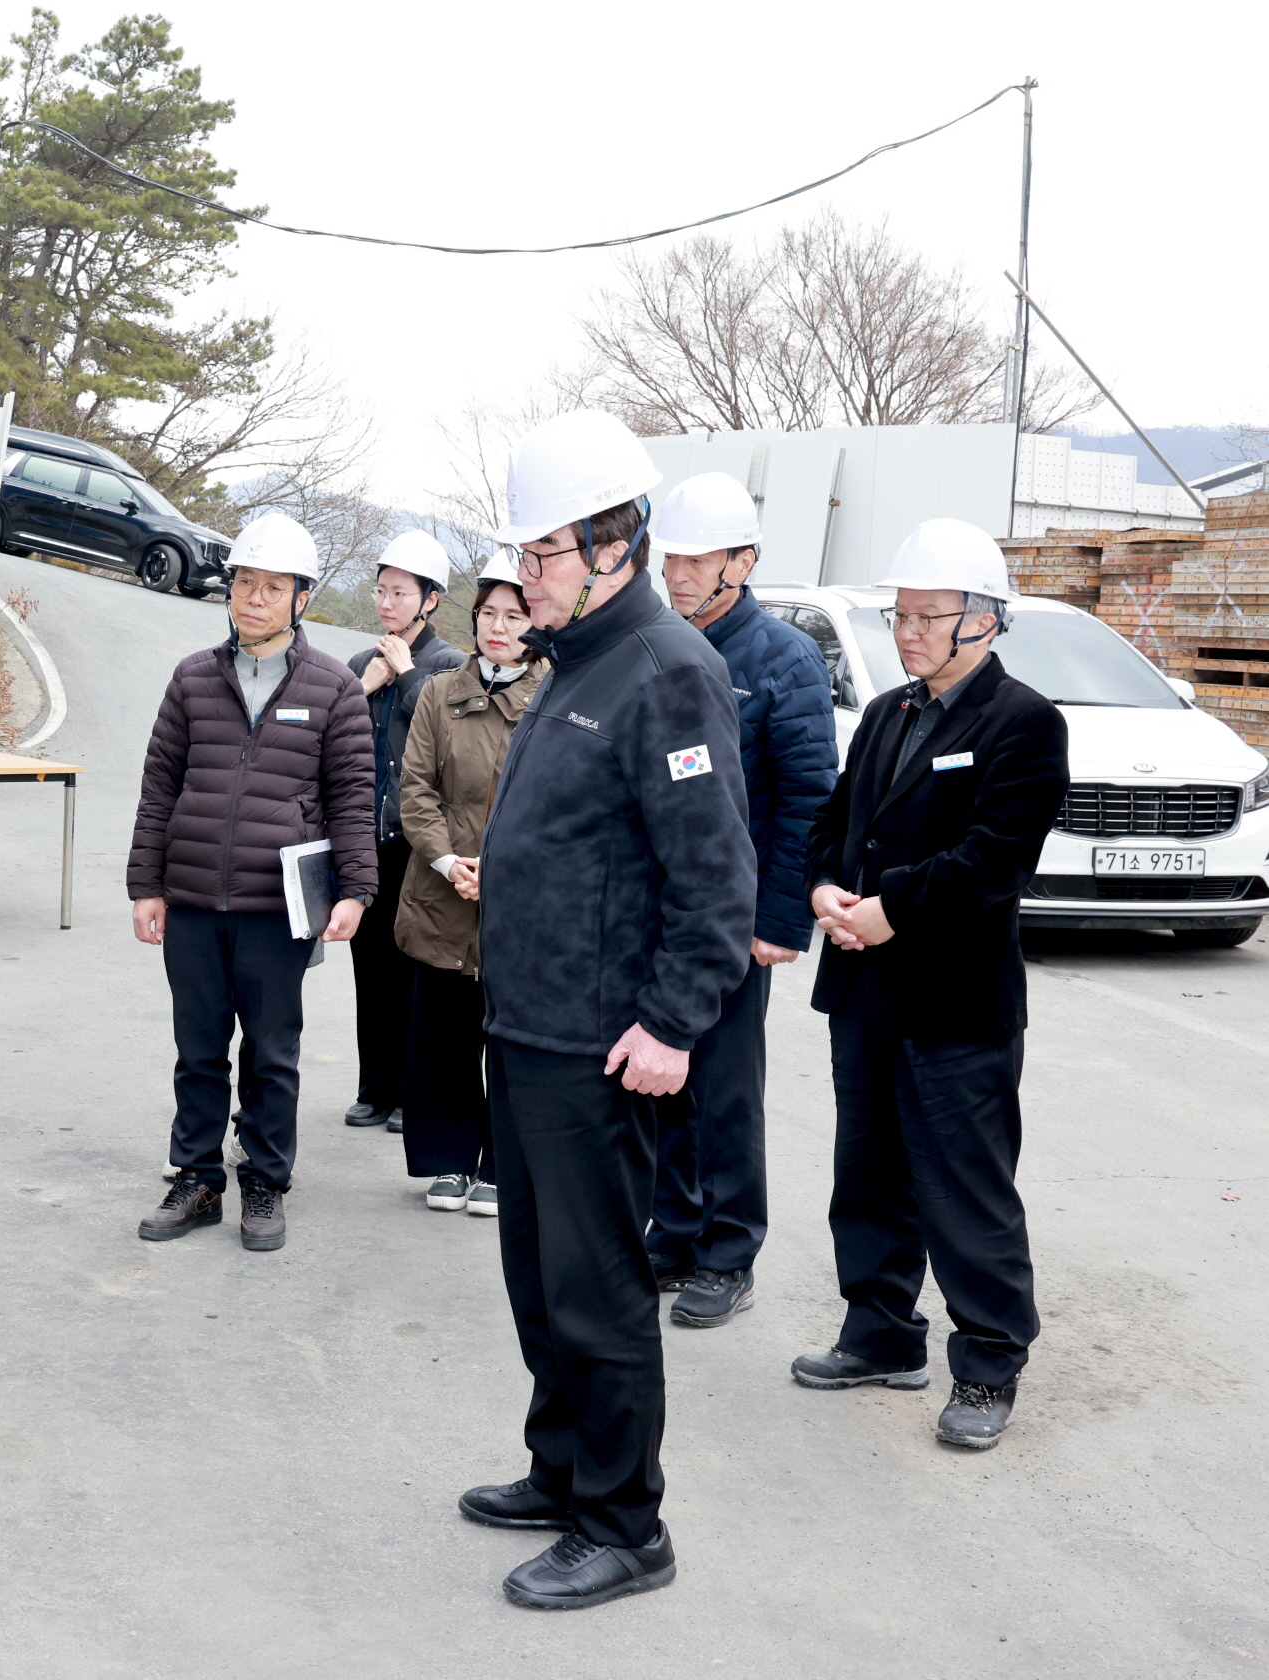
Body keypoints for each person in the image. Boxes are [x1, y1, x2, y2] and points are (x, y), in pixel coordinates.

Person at [455, 410, 755, 1611]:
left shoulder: (669, 671)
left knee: (596, 1286)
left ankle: (625, 1524)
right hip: (528, 1027)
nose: (522, 580)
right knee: (536, 1274)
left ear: (610, 548)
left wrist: (675, 1022)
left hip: (598, 1045)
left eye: (539, 558)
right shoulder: (578, 662)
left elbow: (714, 877)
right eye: (521, 559)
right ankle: (564, 1467)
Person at [795, 518, 1066, 1452]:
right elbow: (833, 823)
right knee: (867, 1176)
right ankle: (878, 1332)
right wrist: (825, 886)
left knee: (964, 1188)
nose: (907, 632)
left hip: (955, 1002)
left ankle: (988, 1364)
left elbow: (997, 859)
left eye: (926, 616)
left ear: (982, 622)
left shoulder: (1023, 721)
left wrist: (891, 907)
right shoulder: (887, 715)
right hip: (866, 991)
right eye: (900, 615)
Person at [128, 512, 376, 1253]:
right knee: (197, 1047)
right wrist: (147, 883)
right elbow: (159, 786)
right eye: (244, 583)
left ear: (301, 598)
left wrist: (356, 891)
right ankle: (198, 1177)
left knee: (271, 1050)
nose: (254, 599)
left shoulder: (334, 688)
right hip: (195, 898)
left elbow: (354, 795)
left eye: (273, 587)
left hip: (279, 909)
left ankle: (265, 1182)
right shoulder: (192, 678)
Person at [644, 474, 836, 1329]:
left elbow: (806, 796)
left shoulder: (782, 658)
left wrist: (779, 918)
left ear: (743, 561)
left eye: (698, 559)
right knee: (659, 1080)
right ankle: (675, 1231)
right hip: (654, 905)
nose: (679, 574)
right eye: (670, 558)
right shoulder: (652, 643)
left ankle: (728, 1251)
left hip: (733, 913)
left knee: (723, 1087)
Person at [390, 552, 540, 1216]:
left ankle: (502, 1168)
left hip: (519, 898)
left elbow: (554, 800)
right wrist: (450, 862)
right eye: (488, 615)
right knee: (444, 1039)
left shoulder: (555, 697)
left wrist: (502, 868)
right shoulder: (438, 691)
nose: (498, 628)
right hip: (443, 889)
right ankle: (448, 1161)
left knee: (510, 1047)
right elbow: (414, 789)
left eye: (514, 615)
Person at [344, 529, 468, 1133]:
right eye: (381, 591)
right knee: (369, 967)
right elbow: (328, 735)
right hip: (364, 840)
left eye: (401, 592)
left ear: (431, 600)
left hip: (418, 844)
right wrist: (360, 690)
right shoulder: (357, 665)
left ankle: (414, 1095)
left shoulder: (449, 666)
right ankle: (376, 1086)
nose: (387, 603)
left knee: (416, 971)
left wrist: (409, 674)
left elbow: (455, 741)